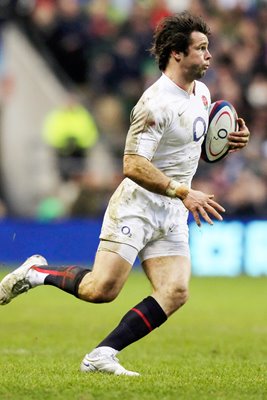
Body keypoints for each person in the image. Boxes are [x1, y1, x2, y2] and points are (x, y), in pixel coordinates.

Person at [0, 12, 250, 376]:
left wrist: (227, 145)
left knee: (176, 291)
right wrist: (183, 191)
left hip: (173, 209)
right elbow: (132, 164)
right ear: (177, 54)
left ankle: (102, 354)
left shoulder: (203, 93)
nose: (209, 56)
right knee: (101, 289)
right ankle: (36, 272)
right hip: (138, 206)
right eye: (201, 49)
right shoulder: (154, 104)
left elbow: (190, 149)